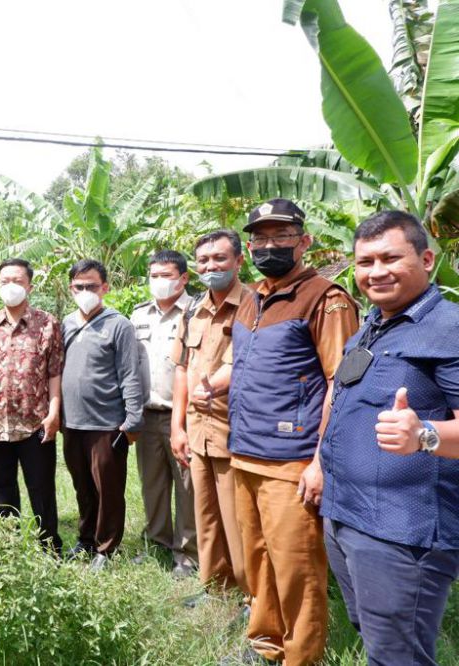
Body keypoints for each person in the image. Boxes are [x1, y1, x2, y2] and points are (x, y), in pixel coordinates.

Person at [319, 211, 459, 666]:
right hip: (344, 515)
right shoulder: (372, 325)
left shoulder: (450, 328)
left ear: (426, 259)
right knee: (375, 637)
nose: (376, 271)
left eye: (390, 258)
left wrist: (424, 434)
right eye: (365, 262)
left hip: (401, 531)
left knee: (398, 656)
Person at [226, 199, 359, 666]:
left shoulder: (325, 298)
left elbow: (342, 384)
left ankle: (301, 656)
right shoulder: (251, 298)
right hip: (245, 452)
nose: (269, 246)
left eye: (281, 236)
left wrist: (321, 462)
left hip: (293, 459)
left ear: (304, 241)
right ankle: (266, 644)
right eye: (260, 238)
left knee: (296, 568)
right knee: (258, 561)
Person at [170, 230, 251, 599]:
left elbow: (244, 362)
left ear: (238, 261)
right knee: (205, 514)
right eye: (203, 260)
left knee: (240, 520)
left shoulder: (253, 304)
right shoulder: (192, 310)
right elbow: (182, 368)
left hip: (236, 430)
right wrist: (177, 427)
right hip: (198, 429)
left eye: (219, 258)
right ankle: (215, 585)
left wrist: (212, 388)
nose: (210, 266)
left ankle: (251, 594)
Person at [0, 257, 64, 552]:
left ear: (29, 286)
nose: (11, 286)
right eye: (5, 281)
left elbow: (54, 372)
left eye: (17, 281)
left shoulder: (47, 324)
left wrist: (54, 413)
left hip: (36, 422)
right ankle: (9, 549)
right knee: (3, 489)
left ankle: (49, 547)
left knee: (41, 487)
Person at [61, 259, 145, 570]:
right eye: (79, 286)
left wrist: (133, 419)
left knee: (108, 489)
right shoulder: (66, 323)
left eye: (92, 286)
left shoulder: (119, 325)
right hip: (72, 423)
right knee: (82, 487)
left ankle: (106, 548)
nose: (85, 292)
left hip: (106, 423)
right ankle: (85, 539)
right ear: (71, 289)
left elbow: (129, 374)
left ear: (105, 288)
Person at [130, 249, 198, 577]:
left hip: (183, 417)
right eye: (154, 276)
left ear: (183, 278)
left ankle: (187, 554)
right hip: (147, 414)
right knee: (152, 486)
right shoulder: (139, 315)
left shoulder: (197, 311)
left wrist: (181, 423)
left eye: (166, 276)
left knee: (187, 488)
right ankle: (156, 543)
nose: (159, 281)